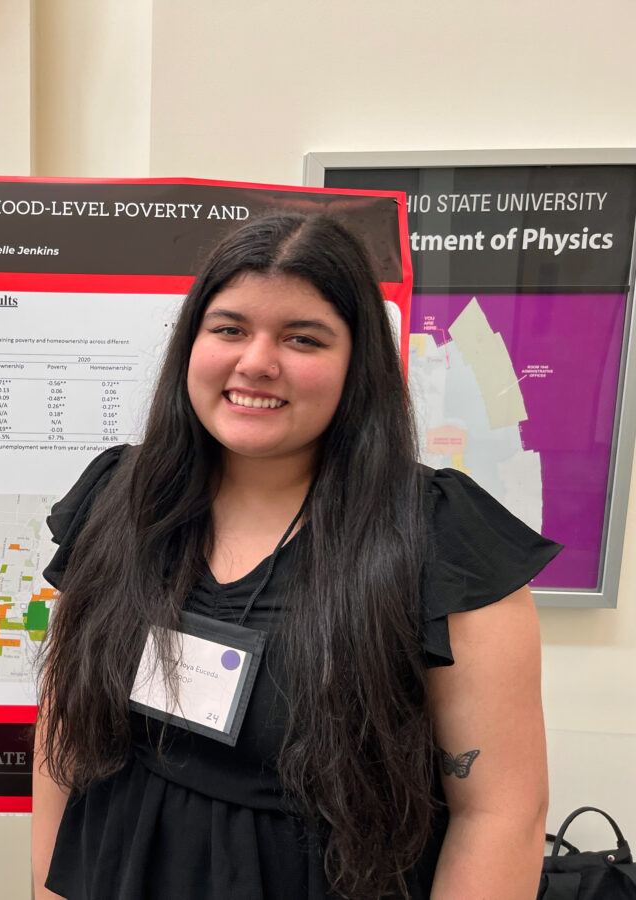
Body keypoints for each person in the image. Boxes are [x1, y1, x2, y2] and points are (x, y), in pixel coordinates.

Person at [31, 213, 560, 900]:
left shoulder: (437, 539)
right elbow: (64, 731)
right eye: (229, 329)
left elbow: (500, 815)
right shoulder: (117, 501)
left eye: (302, 338)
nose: (256, 362)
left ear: (357, 362)